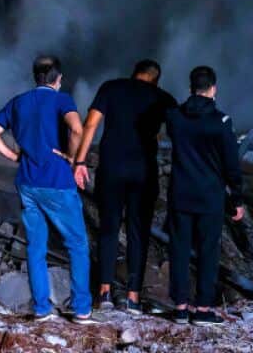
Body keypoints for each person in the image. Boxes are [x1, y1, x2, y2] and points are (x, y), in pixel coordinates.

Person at [0, 55, 94, 323]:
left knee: (36, 247)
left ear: (36, 77)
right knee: (77, 245)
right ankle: (81, 309)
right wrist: (73, 158)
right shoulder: (62, 99)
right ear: (58, 79)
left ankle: (41, 308)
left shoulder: (18, 102)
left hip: (27, 183)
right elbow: (77, 129)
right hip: (57, 182)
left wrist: (13, 156)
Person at [72, 59, 177, 314]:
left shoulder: (112, 88)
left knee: (108, 229)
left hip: (112, 170)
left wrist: (81, 161)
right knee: (137, 232)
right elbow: (177, 133)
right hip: (143, 173)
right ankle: (133, 297)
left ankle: (105, 292)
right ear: (156, 79)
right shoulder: (163, 98)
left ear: (133, 74)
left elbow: (91, 124)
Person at [164, 65, 244, 327]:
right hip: (210, 197)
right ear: (214, 89)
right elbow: (232, 165)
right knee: (208, 251)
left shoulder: (174, 117)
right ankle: (204, 308)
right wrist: (237, 199)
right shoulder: (221, 122)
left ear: (190, 88)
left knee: (179, 249)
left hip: (181, 194)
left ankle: (180, 307)